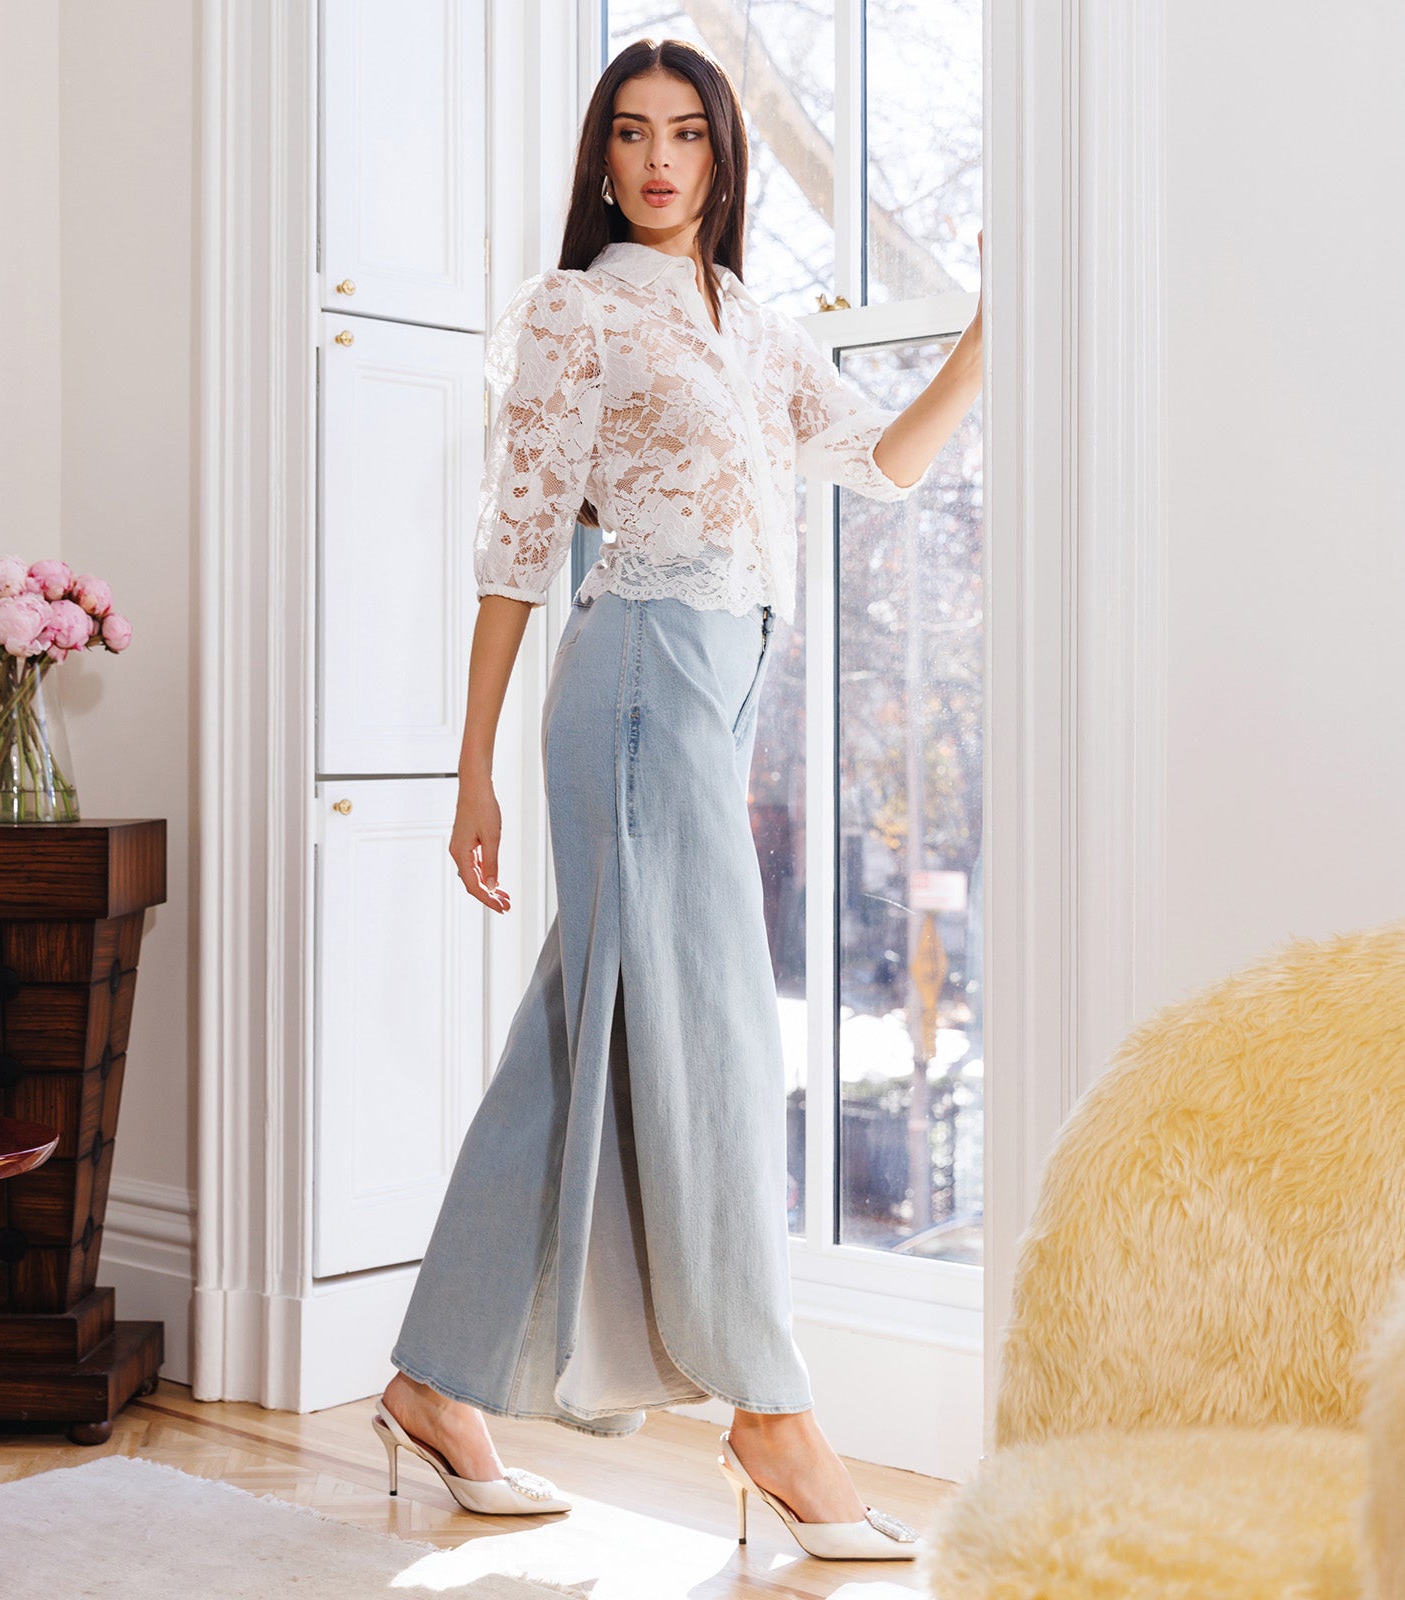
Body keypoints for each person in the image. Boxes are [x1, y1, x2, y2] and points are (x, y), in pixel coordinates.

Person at [372, 36, 984, 1561]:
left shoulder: (747, 322)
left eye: (688, 135)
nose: (658, 161)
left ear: (722, 159)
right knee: (713, 1034)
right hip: (635, 679)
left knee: (583, 1035)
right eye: (633, 135)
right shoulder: (579, 315)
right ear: (603, 159)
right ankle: (771, 1416)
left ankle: (434, 1385)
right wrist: (470, 773)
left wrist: (990, 335)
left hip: (710, 695)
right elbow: (518, 549)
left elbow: (886, 468)